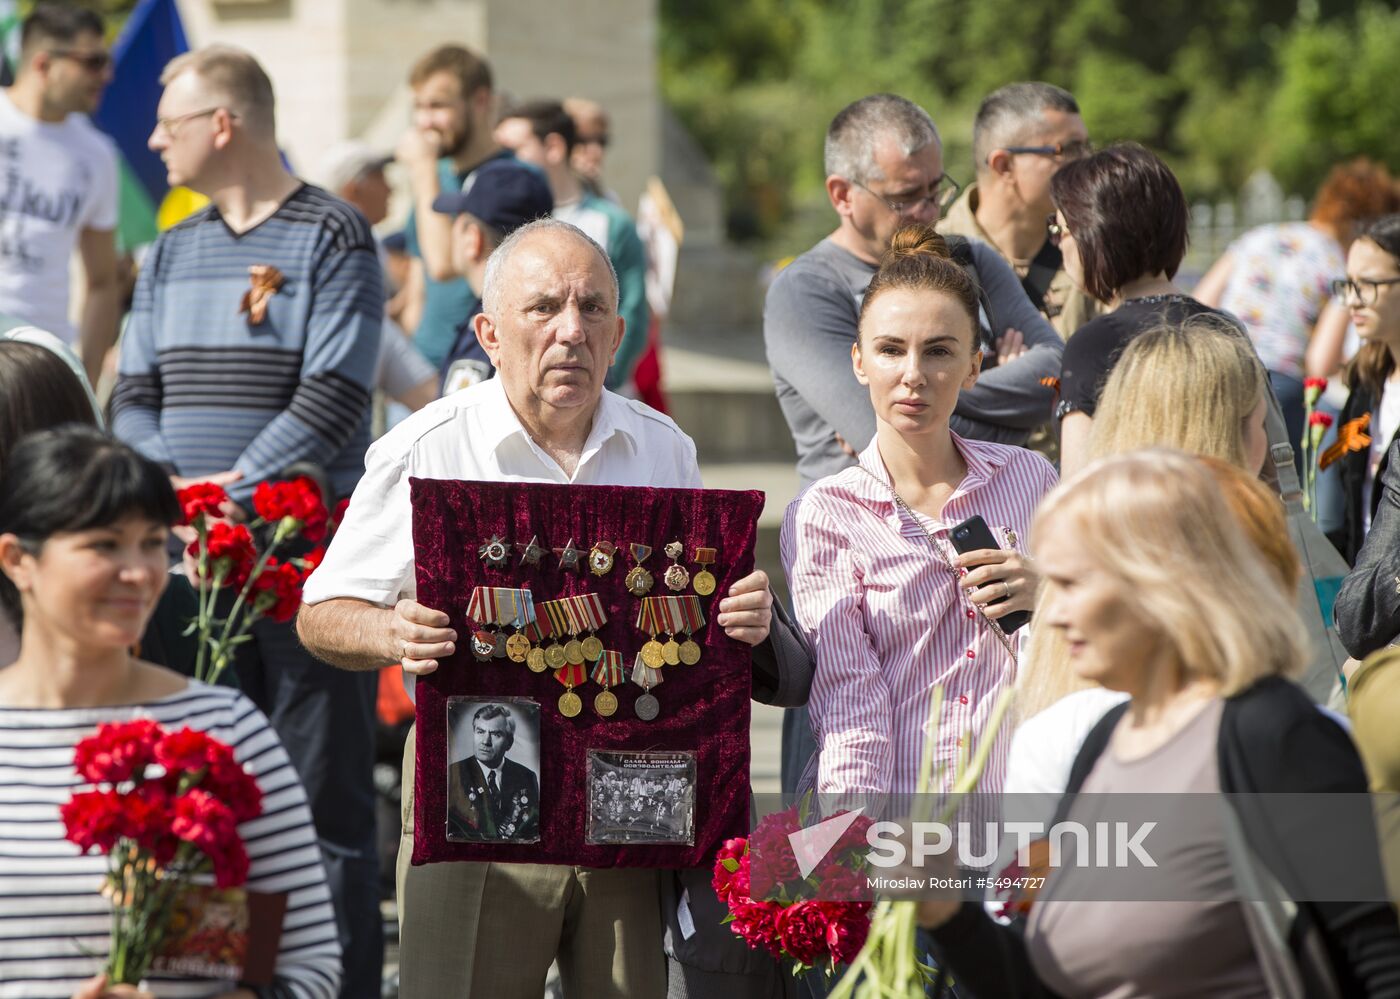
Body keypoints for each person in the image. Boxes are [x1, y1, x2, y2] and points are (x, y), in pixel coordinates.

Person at [295, 219, 805, 998]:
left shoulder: (663, 448)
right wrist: (390, 629)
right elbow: (320, 610)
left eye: (592, 308)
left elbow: (698, 612)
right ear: (489, 333)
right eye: (544, 308)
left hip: (629, 797)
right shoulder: (426, 447)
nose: (571, 329)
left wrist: (740, 612)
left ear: (620, 333)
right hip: (476, 801)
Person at [919, 449, 1400, 997]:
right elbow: (1042, 981)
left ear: (1160, 587)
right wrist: (948, 914)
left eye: (1073, 584)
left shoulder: (1273, 736)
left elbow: (1374, 964)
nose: (1051, 612)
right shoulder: (1102, 743)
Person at [109, 46, 384, 999]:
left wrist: (232, 487)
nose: (152, 139)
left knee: (322, 802)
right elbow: (130, 392)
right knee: (194, 794)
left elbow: (336, 395)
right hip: (189, 567)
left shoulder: (334, 233)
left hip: (306, 568)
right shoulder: (173, 247)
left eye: (167, 122)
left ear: (221, 125)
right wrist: (174, 494)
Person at [0, 426, 342, 999]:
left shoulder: (224, 731)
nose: (138, 572)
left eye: (151, 543)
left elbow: (304, 968)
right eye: (104, 545)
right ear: (18, 559)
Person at [781, 225, 1056, 829]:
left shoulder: (1033, 480)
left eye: (938, 351)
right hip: (897, 833)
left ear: (973, 366)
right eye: (890, 350)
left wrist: (1054, 597)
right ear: (858, 361)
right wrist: (845, 858)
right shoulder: (827, 514)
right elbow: (848, 702)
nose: (913, 374)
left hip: (1020, 827)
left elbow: (1090, 654)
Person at [766, 93, 1063, 491]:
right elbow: (895, 440)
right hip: (861, 532)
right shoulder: (806, 291)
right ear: (842, 195)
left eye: (936, 189)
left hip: (986, 517)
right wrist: (1012, 400)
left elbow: (1057, 373)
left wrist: (935, 399)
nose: (928, 212)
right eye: (905, 198)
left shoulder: (970, 257)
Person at [1051, 142, 1239, 477]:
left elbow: (1078, 488)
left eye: (1060, 231)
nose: (1059, 246)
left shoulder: (1096, 344)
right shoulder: (1225, 327)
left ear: (1093, 235)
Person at [1197, 158, 1399, 450]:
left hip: (1221, 373)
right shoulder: (1338, 264)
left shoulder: (1258, 237)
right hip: (1281, 387)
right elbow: (1321, 360)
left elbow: (1201, 303)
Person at [0, 3, 120, 384]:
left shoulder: (98, 154)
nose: (106, 75)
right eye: (93, 62)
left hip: (38, 361)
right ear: (42, 64)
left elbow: (103, 281)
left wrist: (86, 375)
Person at [495, 99, 649, 393]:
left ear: (553, 148)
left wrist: (595, 384)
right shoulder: (502, 221)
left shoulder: (611, 223)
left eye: (513, 151)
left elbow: (633, 313)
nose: (501, 162)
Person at [939, 82, 1099, 338]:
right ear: (1004, 166)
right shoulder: (931, 258)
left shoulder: (1091, 252)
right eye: (1068, 150)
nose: (1086, 162)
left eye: (1086, 147)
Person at [396, 44, 510, 368]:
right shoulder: (437, 175)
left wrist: (421, 168)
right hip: (422, 366)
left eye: (437, 106)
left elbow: (445, 265)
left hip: (477, 364)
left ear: (480, 101)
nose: (424, 121)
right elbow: (420, 273)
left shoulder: (512, 177)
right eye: (419, 107)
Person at [315, 140, 438, 413]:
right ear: (354, 188)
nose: (390, 187)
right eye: (380, 177)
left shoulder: (350, 237)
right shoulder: (349, 242)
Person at [427, 156, 553, 393]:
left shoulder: (491, 326)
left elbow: (461, 426)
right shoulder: (559, 320)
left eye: (457, 220)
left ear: (472, 238)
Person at [1324, 215, 1400, 564]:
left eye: (1367, 284)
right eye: (1348, 285)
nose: (1352, 301)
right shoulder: (1366, 383)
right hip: (1366, 598)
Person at [447, 703, 540, 841]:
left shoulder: (526, 776)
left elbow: (532, 828)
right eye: (480, 731)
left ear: (509, 742)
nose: (486, 741)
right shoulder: (454, 773)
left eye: (496, 734)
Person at [564, 96, 614, 200]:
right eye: (581, 141)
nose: (596, 151)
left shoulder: (609, 198)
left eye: (601, 141)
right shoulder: (542, 197)